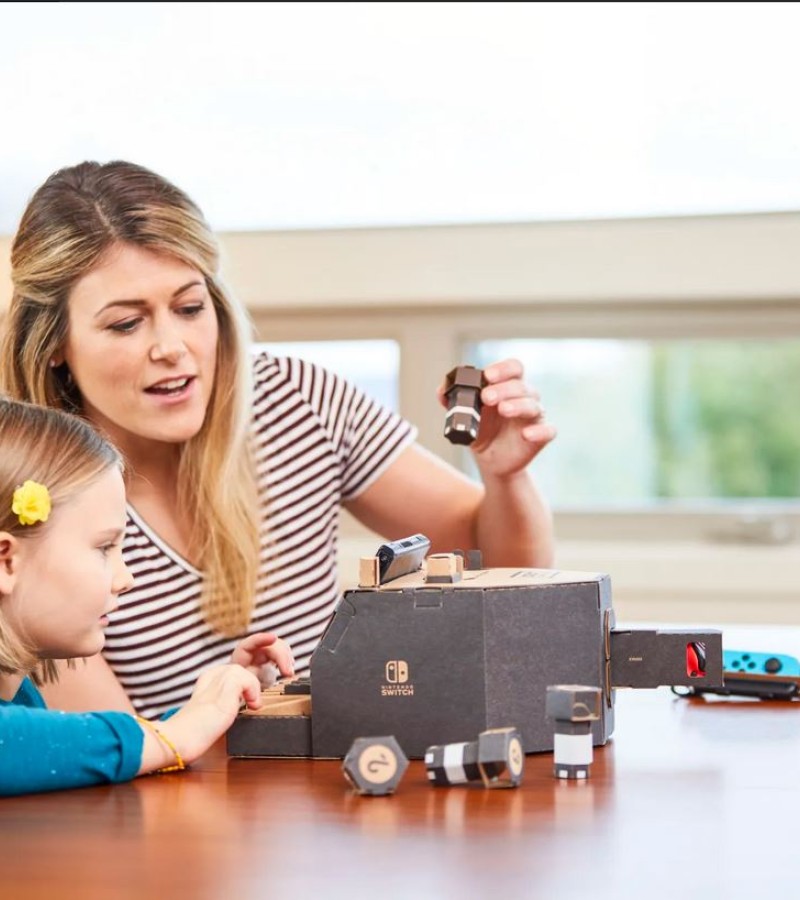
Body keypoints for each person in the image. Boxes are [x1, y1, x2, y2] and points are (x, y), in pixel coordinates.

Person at [0, 160, 557, 720]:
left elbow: (508, 577)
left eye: (190, 308)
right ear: (54, 343)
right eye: (126, 323)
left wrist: (505, 476)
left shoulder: (297, 399)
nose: (172, 347)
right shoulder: (31, 497)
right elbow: (116, 750)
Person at [0, 398, 294, 796]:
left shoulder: (21, 697)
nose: (126, 578)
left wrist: (215, 708)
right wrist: (177, 735)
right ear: (6, 562)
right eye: (104, 548)